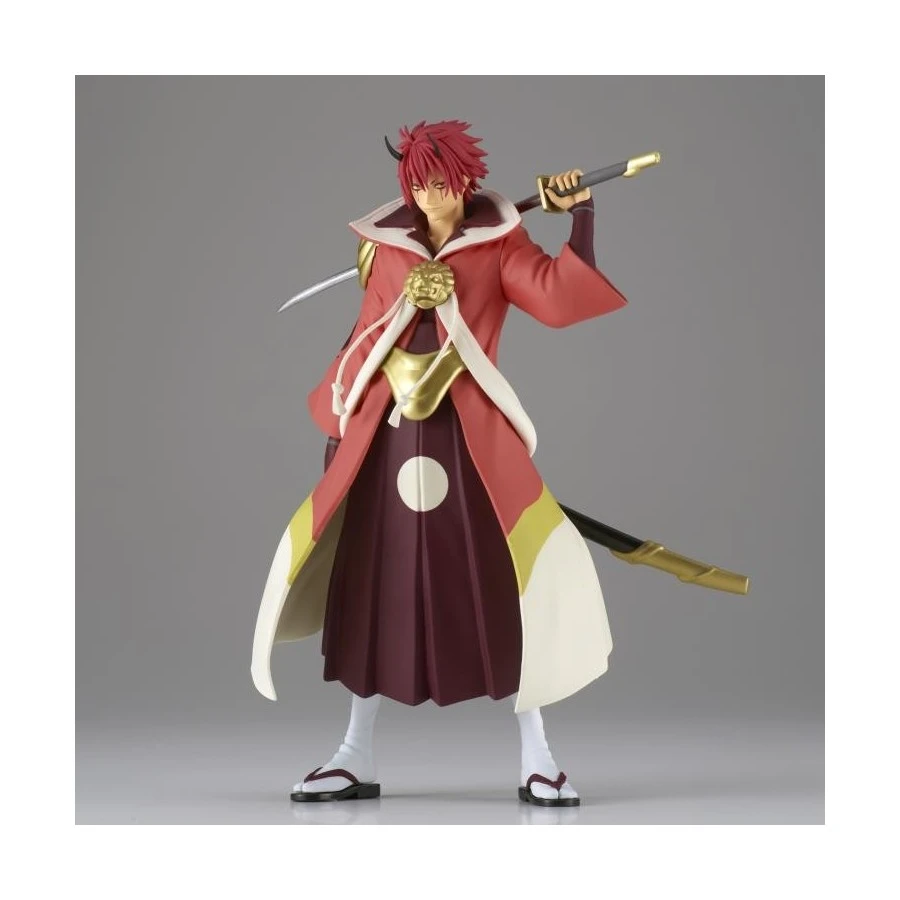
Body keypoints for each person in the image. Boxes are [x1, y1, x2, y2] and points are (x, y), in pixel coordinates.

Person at [251, 119, 628, 806]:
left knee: (507, 582)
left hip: (470, 438)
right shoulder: (383, 246)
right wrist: (341, 419)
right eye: (419, 183)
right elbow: (365, 334)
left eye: (443, 181)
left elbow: (555, 296)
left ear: (466, 179)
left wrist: (582, 218)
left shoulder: (499, 242)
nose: (431, 195)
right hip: (386, 435)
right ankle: (354, 751)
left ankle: (538, 755)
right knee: (374, 583)